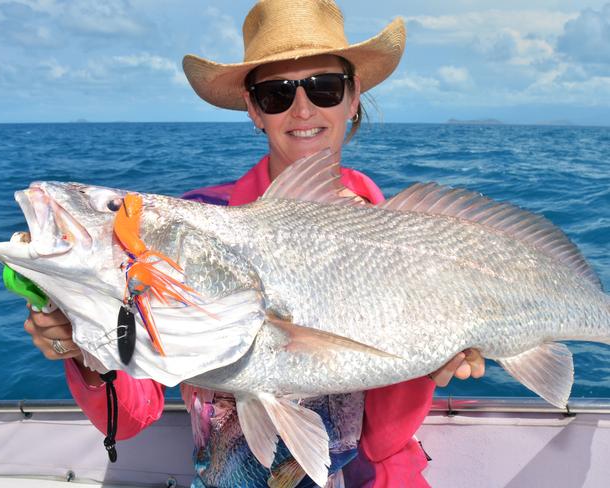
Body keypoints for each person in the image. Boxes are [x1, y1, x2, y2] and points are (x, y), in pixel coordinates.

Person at [24, 0, 485, 486]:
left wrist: (433, 366)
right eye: (276, 94)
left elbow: (381, 436)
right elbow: (135, 413)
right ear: (253, 110)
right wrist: (82, 351)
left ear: (353, 99)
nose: (303, 109)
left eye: (325, 88)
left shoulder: (409, 239)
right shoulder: (195, 229)